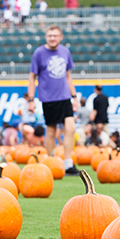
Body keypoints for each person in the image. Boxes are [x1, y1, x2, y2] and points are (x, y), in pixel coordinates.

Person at [28, 25, 80, 175]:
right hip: (48, 98)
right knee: (51, 132)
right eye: (50, 35)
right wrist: (31, 99)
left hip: (64, 97)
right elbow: (32, 77)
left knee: (70, 128)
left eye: (55, 35)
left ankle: (68, 163)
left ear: (61, 37)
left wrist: (74, 96)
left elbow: (68, 76)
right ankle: (51, 163)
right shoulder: (39, 53)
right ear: (46, 37)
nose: (52, 38)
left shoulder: (65, 51)